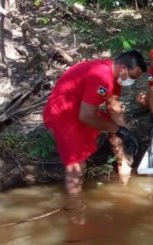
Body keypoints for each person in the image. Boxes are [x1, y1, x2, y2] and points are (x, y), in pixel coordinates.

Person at [43, 50, 146, 194]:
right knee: (76, 168)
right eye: (133, 76)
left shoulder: (114, 74)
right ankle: (76, 209)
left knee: (116, 126)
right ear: (123, 68)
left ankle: (124, 166)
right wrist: (118, 129)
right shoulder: (101, 78)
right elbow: (87, 116)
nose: (133, 81)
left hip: (80, 110)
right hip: (63, 115)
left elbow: (113, 105)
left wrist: (126, 132)